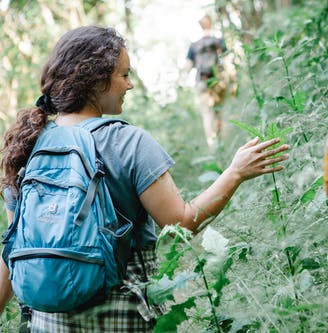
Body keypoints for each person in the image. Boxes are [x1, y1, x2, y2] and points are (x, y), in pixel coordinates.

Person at [0, 26, 288, 332]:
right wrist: (235, 173)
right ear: (98, 80)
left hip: (47, 322)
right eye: (124, 75)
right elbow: (181, 223)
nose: (130, 85)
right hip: (121, 317)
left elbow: (12, 248)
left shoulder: (27, 146)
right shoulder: (129, 142)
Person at [185, 14, 236, 150]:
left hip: (202, 82)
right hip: (218, 81)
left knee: (207, 115)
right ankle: (225, 147)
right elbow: (227, 61)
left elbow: (188, 67)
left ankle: (214, 149)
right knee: (220, 113)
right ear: (211, 24)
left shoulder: (194, 45)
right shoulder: (218, 41)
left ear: (200, 26)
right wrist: (233, 80)